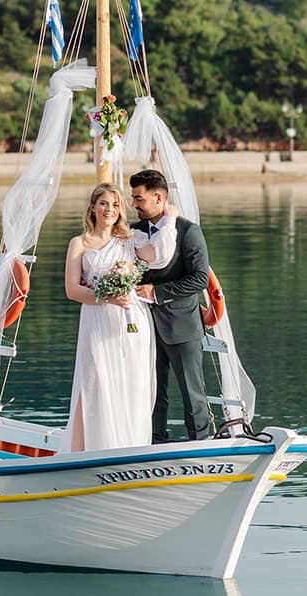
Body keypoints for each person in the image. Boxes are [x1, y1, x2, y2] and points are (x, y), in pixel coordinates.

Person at [61, 182, 177, 452]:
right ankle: (85, 449)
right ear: (93, 207)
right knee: (95, 381)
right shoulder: (79, 243)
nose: (109, 210)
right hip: (97, 322)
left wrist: (169, 220)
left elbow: (158, 256)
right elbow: (72, 290)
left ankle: (129, 446)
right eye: (103, 203)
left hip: (130, 322)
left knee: (130, 382)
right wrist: (108, 297)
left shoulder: (130, 240)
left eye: (115, 205)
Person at [130, 169, 210, 442]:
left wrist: (158, 292)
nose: (134, 205)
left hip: (182, 326)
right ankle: (154, 441)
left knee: (192, 391)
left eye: (139, 199)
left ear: (158, 197)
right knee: (151, 390)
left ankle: (200, 444)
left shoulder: (188, 231)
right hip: (144, 326)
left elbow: (199, 279)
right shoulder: (133, 232)